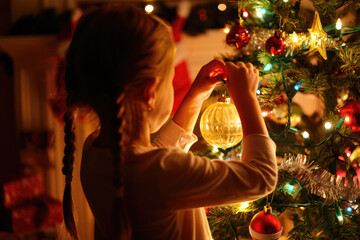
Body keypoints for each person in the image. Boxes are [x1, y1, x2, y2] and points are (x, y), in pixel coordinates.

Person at [62, 4, 277, 240]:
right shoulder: (159, 173)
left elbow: (155, 161)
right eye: (171, 78)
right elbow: (261, 177)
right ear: (150, 92)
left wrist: (194, 98)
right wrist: (246, 98)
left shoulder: (94, 152)